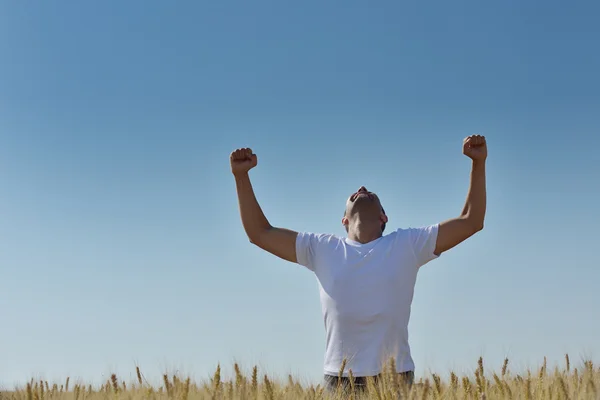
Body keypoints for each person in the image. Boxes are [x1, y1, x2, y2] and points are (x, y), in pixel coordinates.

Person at [230, 135, 487, 393]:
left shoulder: (408, 244)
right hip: (339, 377)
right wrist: (241, 177)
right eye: (357, 191)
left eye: (370, 193)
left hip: (394, 378)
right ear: (343, 220)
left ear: (383, 217)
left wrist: (478, 163)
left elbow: (471, 220)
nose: (362, 188)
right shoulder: (321, 248)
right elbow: (259, 233)